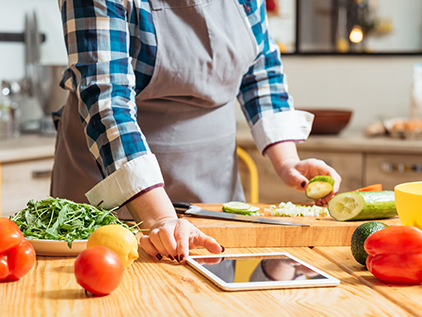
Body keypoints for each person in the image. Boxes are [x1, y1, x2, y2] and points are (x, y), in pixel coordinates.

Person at [51, 0, 341, 263]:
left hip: (212, 184)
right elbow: (106, 101)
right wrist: (161, 219)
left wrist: (287, 161)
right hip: (114, 184)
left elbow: (261, 71)